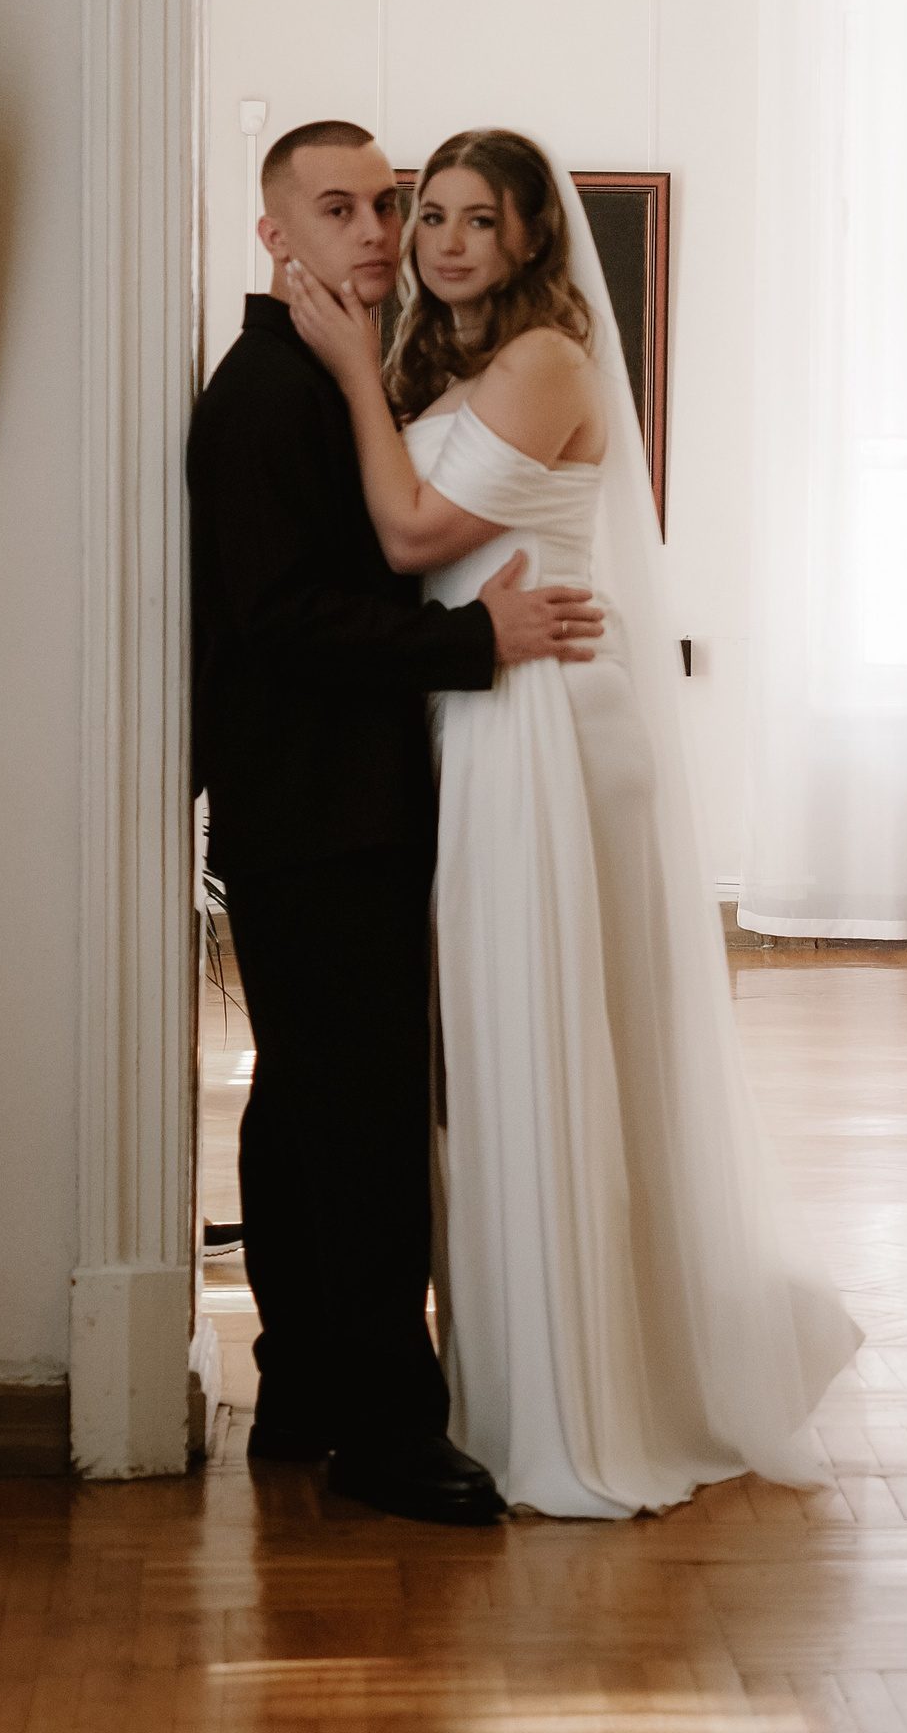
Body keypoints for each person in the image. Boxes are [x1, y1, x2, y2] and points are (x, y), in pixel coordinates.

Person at [287, 128, 859, 1518]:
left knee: (538, 1041)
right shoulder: (455, 362)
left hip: (541, 725)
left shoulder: (542, 360)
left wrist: (352, 368)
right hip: (481, 710)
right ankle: (517, 1374)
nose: (445, 243)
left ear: (534, 236)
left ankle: (583, 1397)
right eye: (431, 216)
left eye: (478, 220)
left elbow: (412, 535)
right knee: (494, 1051)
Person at [187, 119, 604, 1529]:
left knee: (312, 1105)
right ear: (275, 234)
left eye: (389, 203)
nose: (378, 231)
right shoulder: (268, 391)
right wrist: (473, 640)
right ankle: (386, 1429)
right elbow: (283, 620)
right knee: (360, 1123)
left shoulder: (338, 372)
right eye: (339, 208)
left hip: (338, 798)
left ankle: (305, 1387)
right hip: (315, 804)